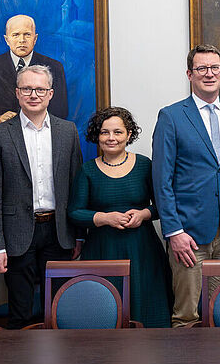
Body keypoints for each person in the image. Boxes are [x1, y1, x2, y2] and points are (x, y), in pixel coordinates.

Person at [151, 44, 220, 327]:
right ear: (190, 74)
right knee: (187, 316)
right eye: (201, 69)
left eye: (214, 68)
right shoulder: (171, 116)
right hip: (188, 236)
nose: (209, 74)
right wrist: (174, 231)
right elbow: (162, 182)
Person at [0, 64, 83, 328]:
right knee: (20, 312)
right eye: (27, 88)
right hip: (17, 234)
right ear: (17, 93)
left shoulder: (67, 131)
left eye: (40, 89)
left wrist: (79, 235)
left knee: (58, 309)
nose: (33, 94)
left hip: (58, 232)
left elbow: (77, 187)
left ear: (50, 93)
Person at [70, 107, 172, 327]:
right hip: (102, 250)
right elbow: (75, 212)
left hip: (142, 251)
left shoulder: (145, 165)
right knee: (105, 312)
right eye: (105, 132)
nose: (111, 138)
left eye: (118, 132)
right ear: (97, 136)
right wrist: (105, 218)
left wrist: (144, 214)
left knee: (146, 308)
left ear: (129, 134)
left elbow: (163, 205)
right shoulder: (87, 170)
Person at [0, 14, 69, 120]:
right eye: (15, 35)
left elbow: (61, 111)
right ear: (7, 40)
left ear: (35, 38)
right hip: (2, 133)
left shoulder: (54, 68)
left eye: (27, 34)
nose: (22, 40)